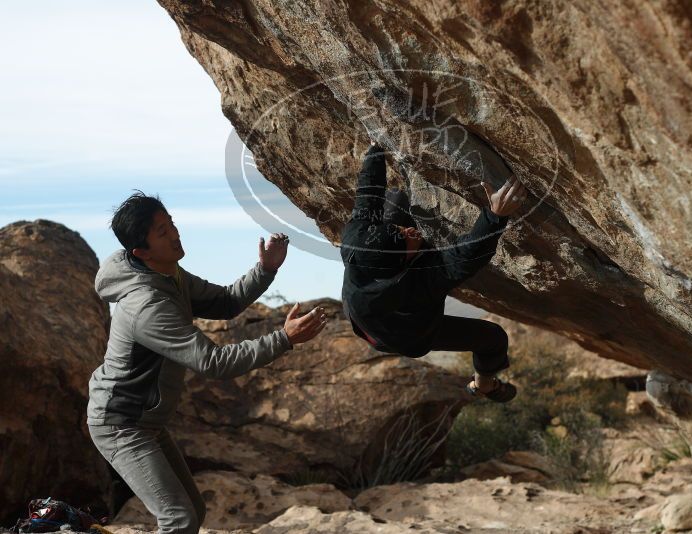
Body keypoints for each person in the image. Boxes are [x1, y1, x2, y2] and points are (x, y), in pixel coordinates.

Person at [86, 192, 327, 534]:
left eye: (170, 223)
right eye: (161, 231)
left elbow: (225, 302)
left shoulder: (169, 274)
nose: (174, 234)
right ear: (141, 251)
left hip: (145, 420)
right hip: (121, 424)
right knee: (179, 519)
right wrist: (283, 339)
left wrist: (266, 269)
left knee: (193, 512)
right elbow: (213, 362)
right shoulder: (146, 305)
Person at [340, 142, 527, 402]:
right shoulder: (415, 285)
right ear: (403, 263)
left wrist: (376, 150)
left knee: (395, 201)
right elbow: (465, 258)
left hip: (362, 313)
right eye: (406, 239)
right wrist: (496, 216)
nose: (410, 232)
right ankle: (485, 385)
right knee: (494, 338)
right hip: (411, 335)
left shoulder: (357, 237)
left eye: (400, 230)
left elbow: (368, 196)